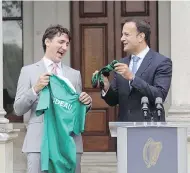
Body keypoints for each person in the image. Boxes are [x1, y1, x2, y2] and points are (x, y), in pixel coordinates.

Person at [14, 24, 92, 173]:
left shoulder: (74, 75)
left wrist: (87, 103)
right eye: (61, 42)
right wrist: (35, 89)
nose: (65, 47)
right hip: (38, 143)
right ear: (47, 42)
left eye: (67, 44)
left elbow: (76, 109)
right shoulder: (28, 71)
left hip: (69, 142)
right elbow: (18, 109)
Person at [93, 18, 172, 122]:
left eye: (126, 34)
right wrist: (106, 85)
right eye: (122, 35)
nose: (122, 39)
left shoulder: (162, 62)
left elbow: (159, 95)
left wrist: (132, 78)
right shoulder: (122, 63)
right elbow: (114, 101)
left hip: (150, 129)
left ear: (140, 37)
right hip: (124, 129)